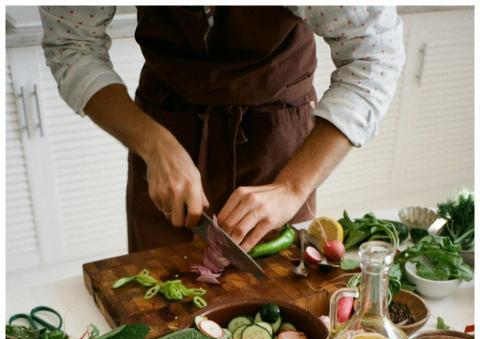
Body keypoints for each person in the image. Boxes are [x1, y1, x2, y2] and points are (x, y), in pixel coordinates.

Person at [40, 6, 404, 253]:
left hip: (275, 139)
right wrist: (154, 144)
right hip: (165, 123)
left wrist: (292, 186)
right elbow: (73, 46)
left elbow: (375, 56)